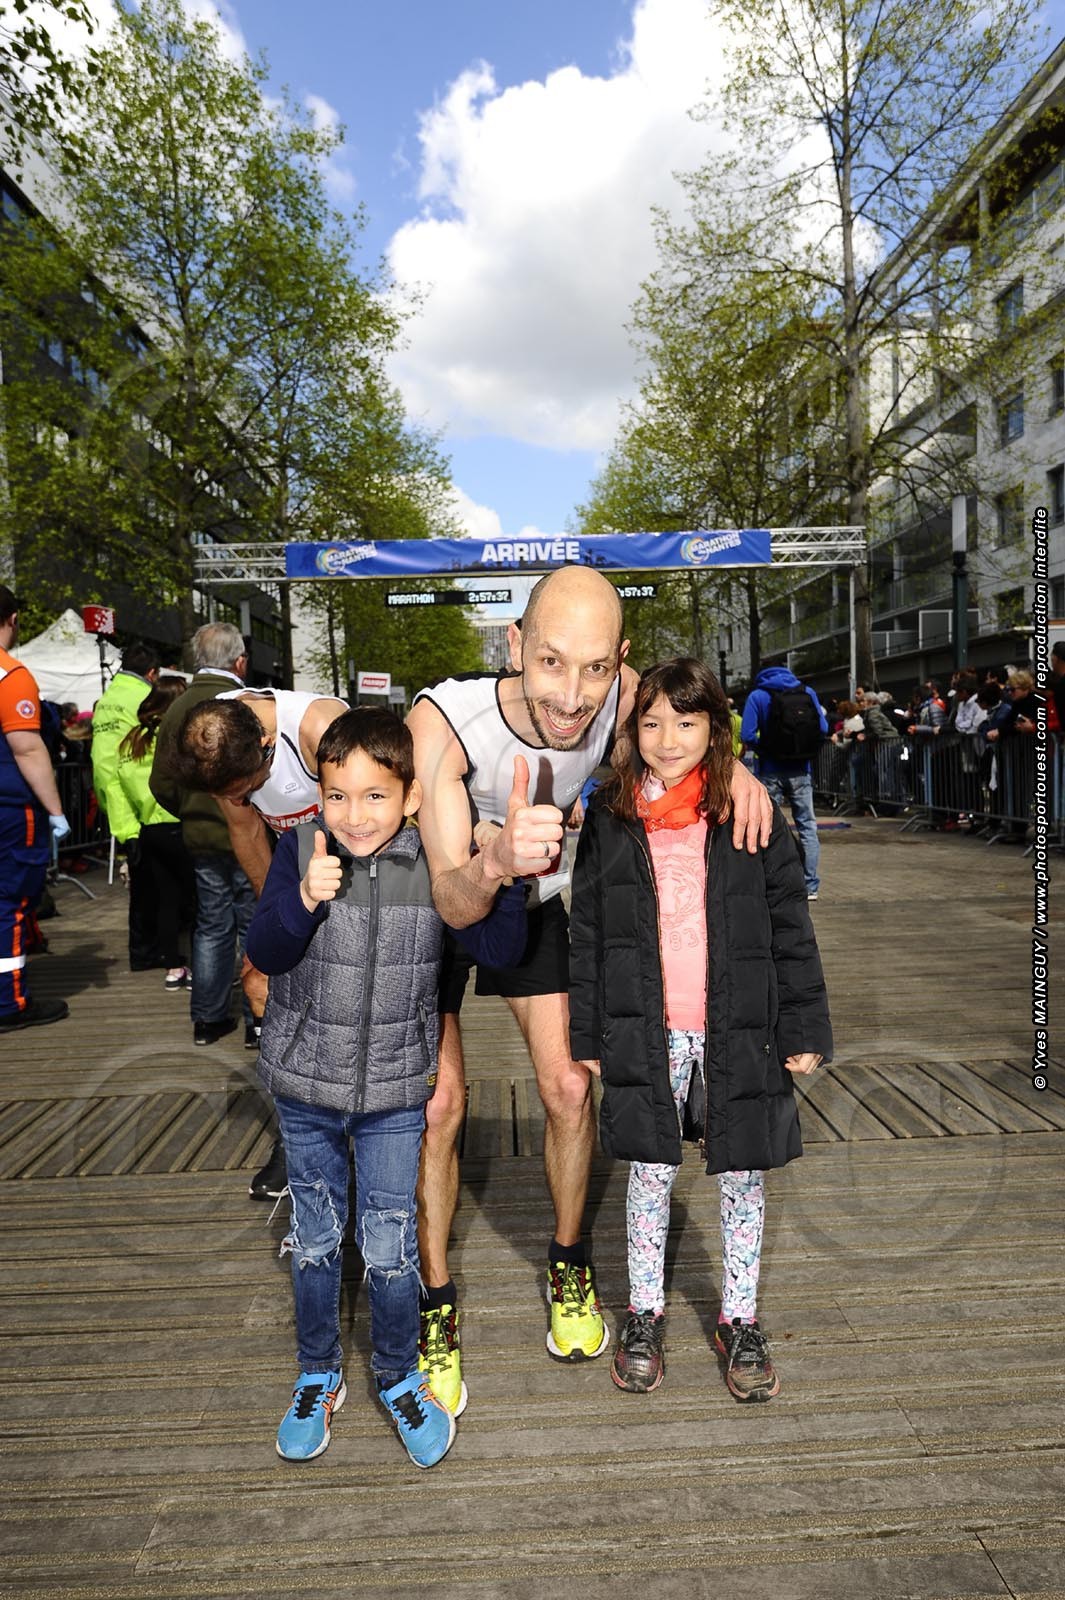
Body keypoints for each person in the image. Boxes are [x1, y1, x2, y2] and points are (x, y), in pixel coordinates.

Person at [407, 564, 773, 1414]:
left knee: (571, 1087)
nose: (572, 696)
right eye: (550, 662)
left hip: (532, 905)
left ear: (620, 658)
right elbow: (451, 899)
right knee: (438, 1104)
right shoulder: (445, 721)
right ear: (514, 646)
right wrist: (497, 859)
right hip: (436, 902)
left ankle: (569, 1263)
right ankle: (435, 1300)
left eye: (596, 668)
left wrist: (741, 777)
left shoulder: (623, 701)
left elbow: (692, 740)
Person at [244, 708, 526, 1467]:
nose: (354, 814)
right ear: (319, 795)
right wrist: (303, 900)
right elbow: (266, 948)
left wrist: (502, 872)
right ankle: (318, 1372)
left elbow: (500, 948)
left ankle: (400, 1376)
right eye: (337, 795)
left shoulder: (436, 862)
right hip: (305, 1086)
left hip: (397, 1091)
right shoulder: (299, 848)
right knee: (314, 1240)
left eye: (376, 796)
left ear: (410, 797)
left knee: (390, 1245)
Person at [568, 659, 832, 1400]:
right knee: (649, 1173)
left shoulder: (750, 813)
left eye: (686, 723)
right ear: (633, 730)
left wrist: (803, 1024)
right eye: (651, 723)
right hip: (643, 1027)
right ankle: (643, 1312)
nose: (668, 739)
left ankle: (739, 1318)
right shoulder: (612, 815)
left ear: (715, 728)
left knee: (743, 1175)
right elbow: (587, 929)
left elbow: (790, 925)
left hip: (739, 1027)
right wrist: (588, 1032)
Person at [162, 682, 348, 1198]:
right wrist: (282, 926)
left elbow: (379, 819)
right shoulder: (220, 745)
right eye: (228, 795)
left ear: (267, 746)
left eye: (244, 789)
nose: (239, 800)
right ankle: (299, 1136)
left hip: (363, 866)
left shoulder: (317, 729)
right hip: (300, 871)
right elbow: (247, 835)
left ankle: (375, 1130)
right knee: (262, 982)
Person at [150, 624, 258, 1048]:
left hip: (200, 835)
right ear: (240, 661)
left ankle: (208, 1019)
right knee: (253, 922)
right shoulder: (247, 703)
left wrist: (192, 811)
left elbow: (160, 782)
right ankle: (258, 1019)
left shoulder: (179, 707)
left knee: (212, 923)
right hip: (249, 830)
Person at [0, 586, 71, 1032]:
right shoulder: (11, 675)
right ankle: (9, 1002)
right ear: (13, 620)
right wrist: (56, 810)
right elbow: (26, 748)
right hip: (9, 809)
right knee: (8, 902)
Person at [116, 678, 196, 990]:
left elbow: (120, 785)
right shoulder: (174, 736)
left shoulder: (131, 740)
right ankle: (199, 967)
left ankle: (173, 968)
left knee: (166, 900)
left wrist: (129, 829)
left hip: (149, 828)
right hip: (178, 821)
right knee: (197, 901)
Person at [90, 640, 162, 970]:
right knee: (157, 885)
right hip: (145, 802)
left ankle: (142, 952)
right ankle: (157, 951)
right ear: (152, 673)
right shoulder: (145, 697)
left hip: (114, 801)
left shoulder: (106, 700)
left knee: (139, 884)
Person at [740, 664, 828, 900]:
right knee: (807, 827)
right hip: (801, 769)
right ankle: (810, 885)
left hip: (770, 770)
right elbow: (823, 727)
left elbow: (747, 734)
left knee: (765, 826)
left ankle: (769, 882)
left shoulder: (758, 696)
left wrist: (766, 748)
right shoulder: (807, 692)